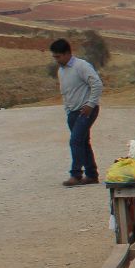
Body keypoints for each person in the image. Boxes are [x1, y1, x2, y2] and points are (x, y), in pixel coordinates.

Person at [50, 38, 103, 187]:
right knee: (83, 142)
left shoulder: (82, 66)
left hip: (86, 111)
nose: (56, 60)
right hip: (72, 112)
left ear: (67, 53)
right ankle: (92, 175)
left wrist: (90, 104)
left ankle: (76, 175)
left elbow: (97, 84)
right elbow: (65, 92)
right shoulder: (61, 71)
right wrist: (67, 110)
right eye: (54, 57)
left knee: (75, 141)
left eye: (58, 56)